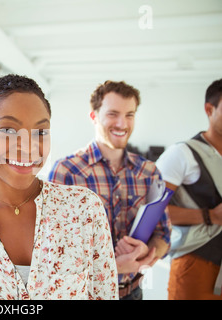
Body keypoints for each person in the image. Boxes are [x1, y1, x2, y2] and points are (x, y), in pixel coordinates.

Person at [0, 74, 118, 300]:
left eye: (40, 132)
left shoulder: (84, 209)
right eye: (8, 130)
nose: (29, 147)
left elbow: (105, 295)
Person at [49, 80, 171, 300]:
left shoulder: (149, 171)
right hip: (84, 294)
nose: (122, 124)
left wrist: (147, 252)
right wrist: (113, 266)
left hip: (133, 292)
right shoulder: (66, 171)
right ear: (94, 116)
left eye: (130, 114)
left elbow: (163, 234)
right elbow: (52, 248)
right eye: (113, 114)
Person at [156, 79, 222, 300]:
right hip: (197, 261)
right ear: (209, 109)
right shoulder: (182, 154)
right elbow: (151, 211)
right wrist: (210, 215)